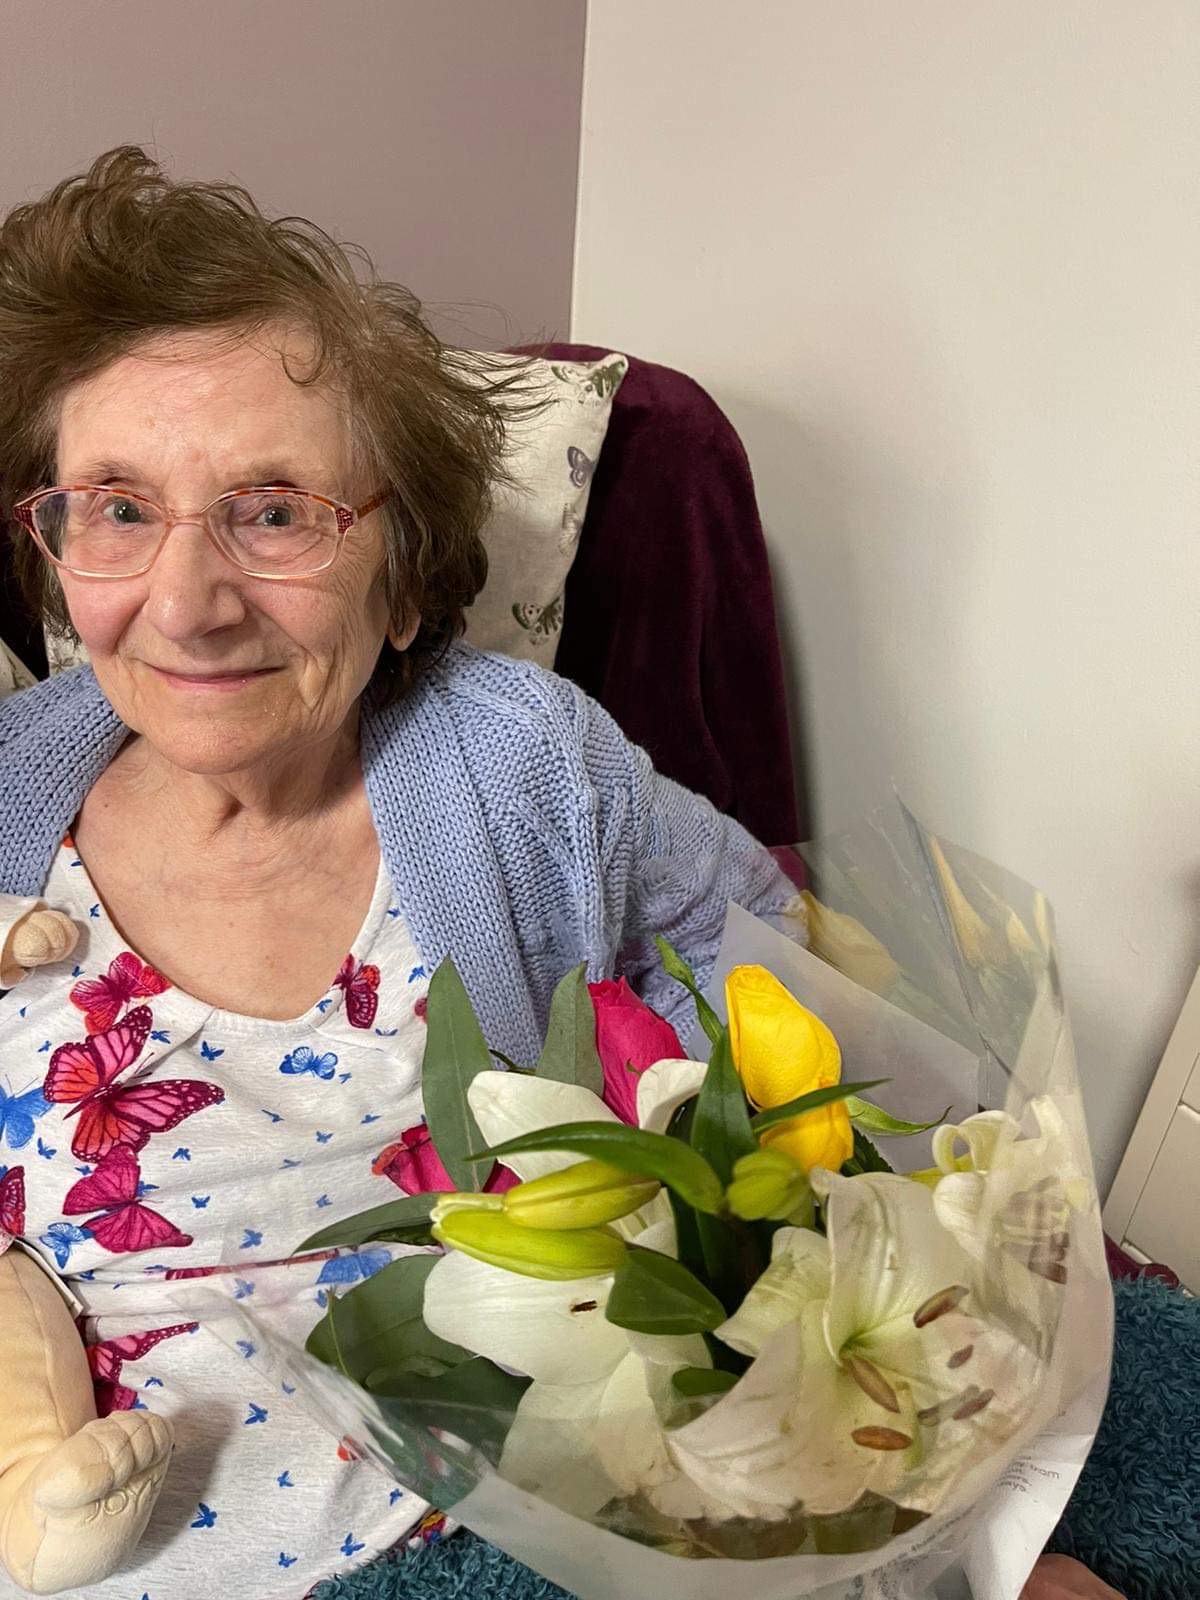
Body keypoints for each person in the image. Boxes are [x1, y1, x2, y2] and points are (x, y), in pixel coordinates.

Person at [0, 149, 1121, 1600]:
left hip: (527, 1536)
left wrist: (963, 1513)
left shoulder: (523, 766)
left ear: (404, 580)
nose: (188, 601)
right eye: (117, 508)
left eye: (275, 511)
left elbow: (796, 1032)